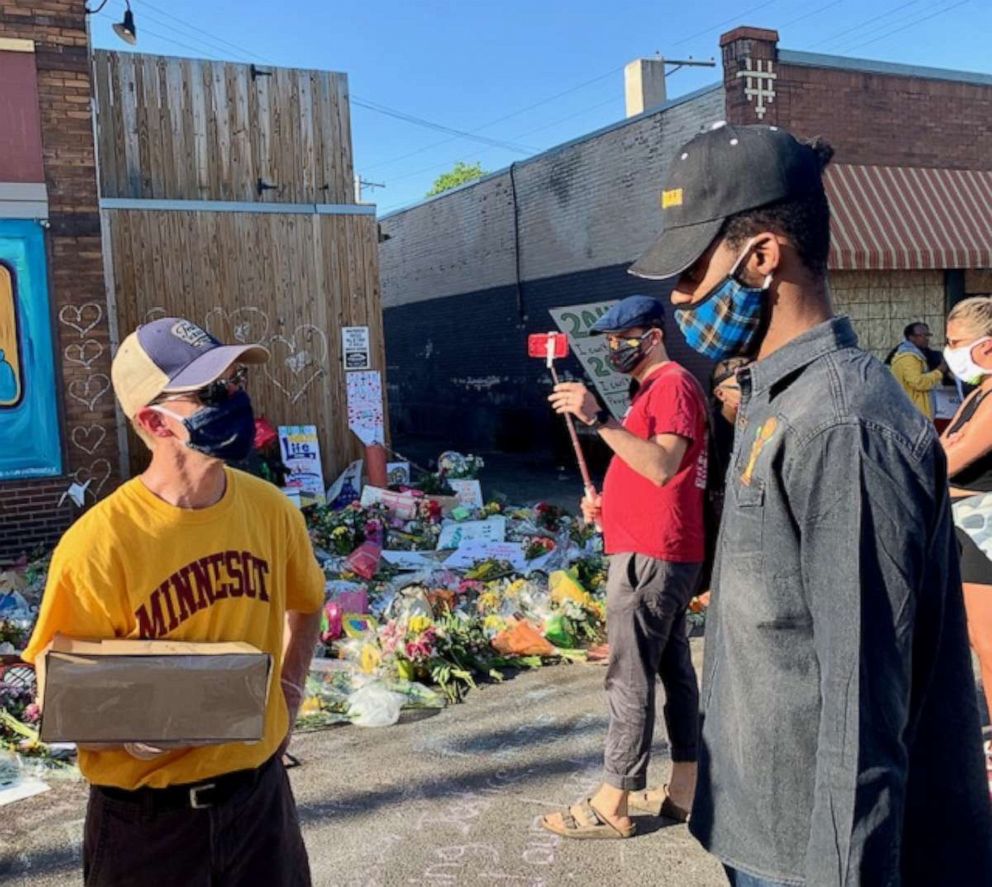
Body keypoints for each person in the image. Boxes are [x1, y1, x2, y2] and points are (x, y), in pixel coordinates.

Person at [628, 122, 992, 884]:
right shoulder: (775, 401)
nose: (679, 299)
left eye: (692, 272)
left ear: (761, 258)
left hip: (818, 857)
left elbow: (861, 701)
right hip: (768, 830)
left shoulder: (841, 422)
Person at [23, 317, 325, 886]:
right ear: (153, 421)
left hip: (259, 807)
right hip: (148, 829)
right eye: (210, 392)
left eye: (234, 382)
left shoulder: (271, 511)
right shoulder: (100, 543)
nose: (233, 399)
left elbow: (306, 604)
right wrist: (140, 726)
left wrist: (288, 691)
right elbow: (54, 683)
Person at [540, 294, 708, 839]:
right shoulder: (651, 392)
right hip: (654, 545)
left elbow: (662, 466)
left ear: (653, 335)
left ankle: (615, 798)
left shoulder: (674, 385)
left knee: (629, 674)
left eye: (622, 339)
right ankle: (686, 786)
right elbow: (644, 467)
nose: (615, 349)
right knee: (671, 670)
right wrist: (607, 503)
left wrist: (599, 418)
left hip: (652, 554)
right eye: (610, 341)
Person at [939, 296, 992, 727]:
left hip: (984, 522)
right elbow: (944, 446)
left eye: (957, 342)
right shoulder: (979, 394)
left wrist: (948, 450)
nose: (948, 351)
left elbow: (950, 459)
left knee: (990, 643)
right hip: (964, 521)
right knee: (978, 640)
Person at [698, 357, 749, 593]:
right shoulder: (711, 429)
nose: (752, 392)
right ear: (721, 394)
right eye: (742, 386)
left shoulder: (760, 420)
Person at [887, 322, 946, 418]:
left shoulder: (917, 354)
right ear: (911, 337)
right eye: (923, 335)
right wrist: (939, 371)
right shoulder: (909, 357)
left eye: (928, 335)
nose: (927, 338)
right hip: (913, 414)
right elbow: (918, 383)